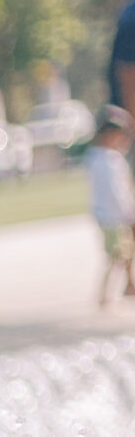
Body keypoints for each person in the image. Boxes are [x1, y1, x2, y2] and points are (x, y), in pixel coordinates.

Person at [90, 107, 135, 307]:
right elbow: (117, 192)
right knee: (116, 255)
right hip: (115, 216)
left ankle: (127, 285)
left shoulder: (94, 157)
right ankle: (104, 294)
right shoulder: (110, 160)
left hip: (105, 214)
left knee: (122, 253)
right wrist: (128, 212)